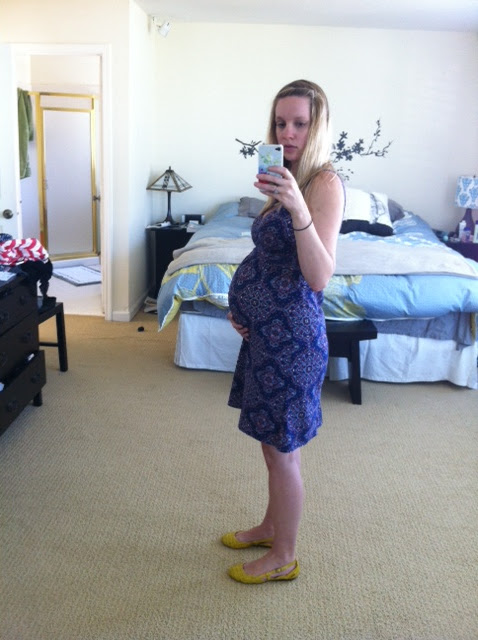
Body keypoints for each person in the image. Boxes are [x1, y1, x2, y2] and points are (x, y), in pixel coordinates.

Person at [222, 79, 344, 584]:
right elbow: (269, 258)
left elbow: (318, 276)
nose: (287, 133)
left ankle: (284, 556)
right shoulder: (284, 175)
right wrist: (244, 308)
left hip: (293, 341)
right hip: (265, 336)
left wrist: (296, 207)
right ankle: (271, 527)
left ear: (318, 126)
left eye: (299, 123)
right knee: (269, 444)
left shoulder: (323, 185)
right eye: (280, 122)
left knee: (284, 450)